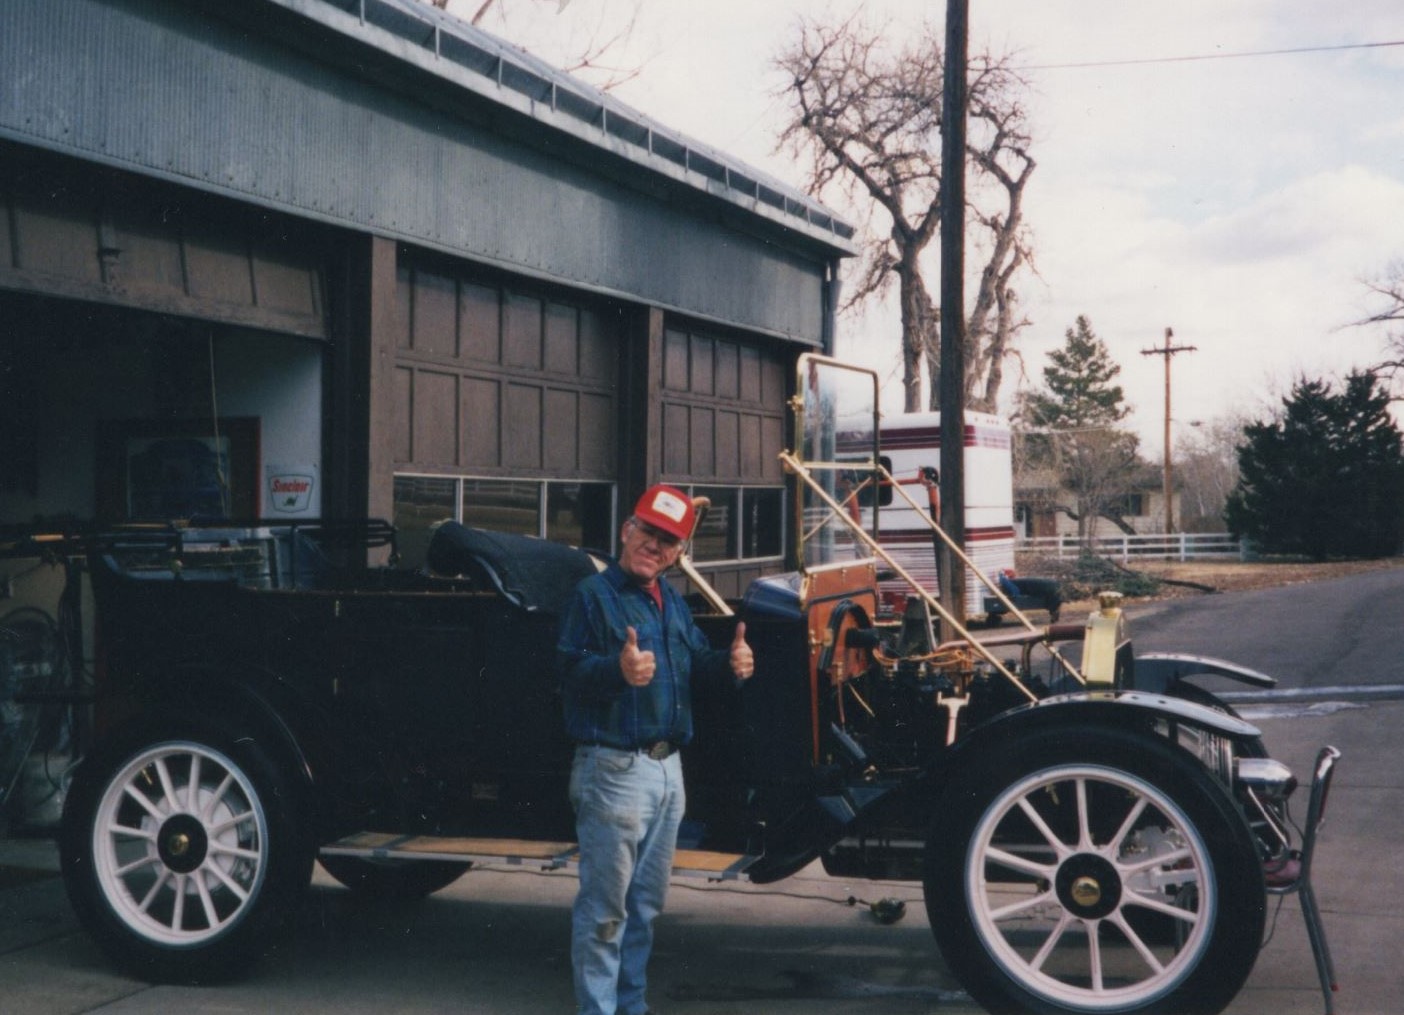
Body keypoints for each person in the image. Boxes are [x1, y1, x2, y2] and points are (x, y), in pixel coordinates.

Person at [557, 484, 754, 1015]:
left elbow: (696, 665)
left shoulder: (671, 603)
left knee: (644, 907)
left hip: (668, 773)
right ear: (627, 530)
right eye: (649, 532)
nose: (656, 547)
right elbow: (569, 675)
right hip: (613, 770)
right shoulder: (591, 598)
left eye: (670, 541)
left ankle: (632, 1006)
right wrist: (617, 672)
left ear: (679, 552)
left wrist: (731, 665)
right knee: (605, 911)